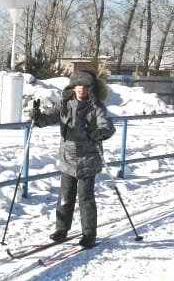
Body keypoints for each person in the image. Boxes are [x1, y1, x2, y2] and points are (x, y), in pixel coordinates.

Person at [32, 69, 115, 249]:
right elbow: (48, 118)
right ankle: (61, 229)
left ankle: (89, 234)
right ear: (72, 86)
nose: (81, 89)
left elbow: (108, 127)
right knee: (65, 196)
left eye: (85, 86)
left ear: (90, 88)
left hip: (88, 159)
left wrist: (98, 132)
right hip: (67, 158)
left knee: (85, 198)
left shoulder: (96, 107)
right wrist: (38, 118)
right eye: (78, 85)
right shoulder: (64, 104)